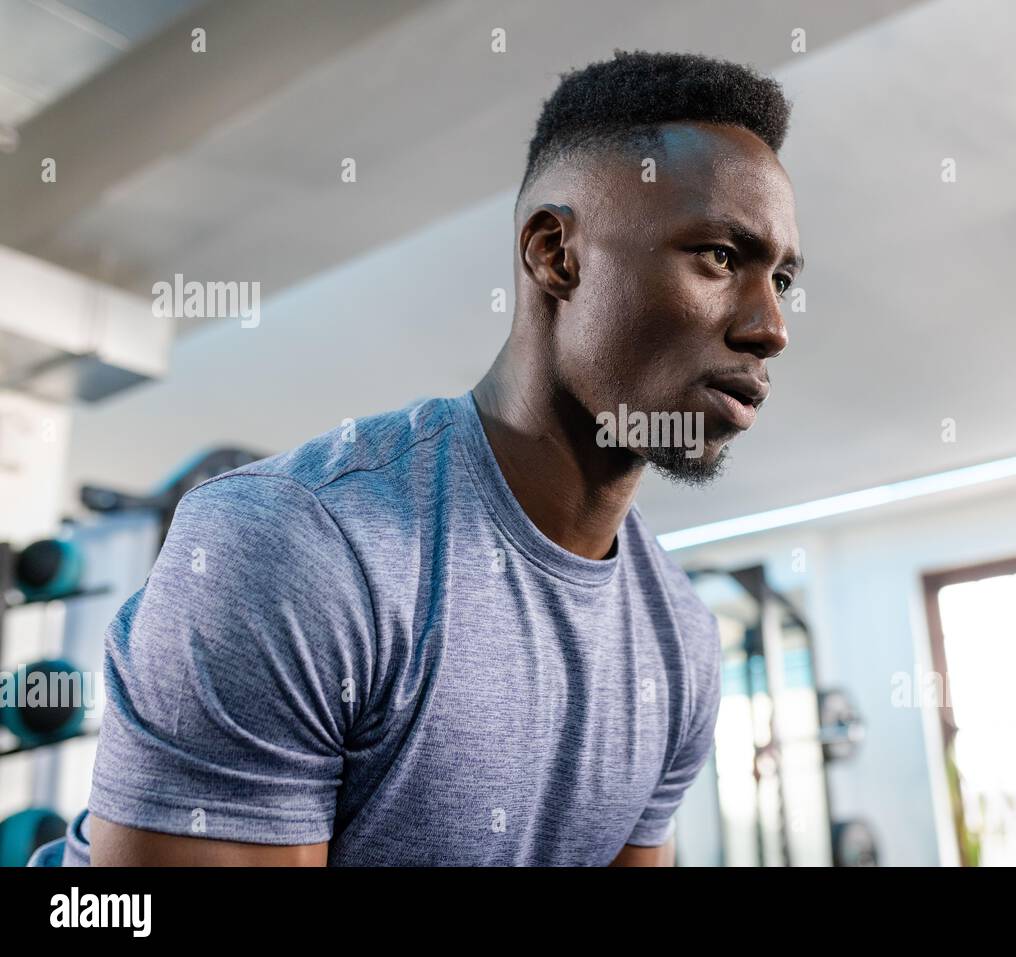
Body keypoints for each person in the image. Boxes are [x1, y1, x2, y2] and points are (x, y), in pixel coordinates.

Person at [76, 49, 802, 866]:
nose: (770, 326)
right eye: (720, 256)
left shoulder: (682, 640)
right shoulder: (296, 547)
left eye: (782, 278)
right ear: (555, 254)